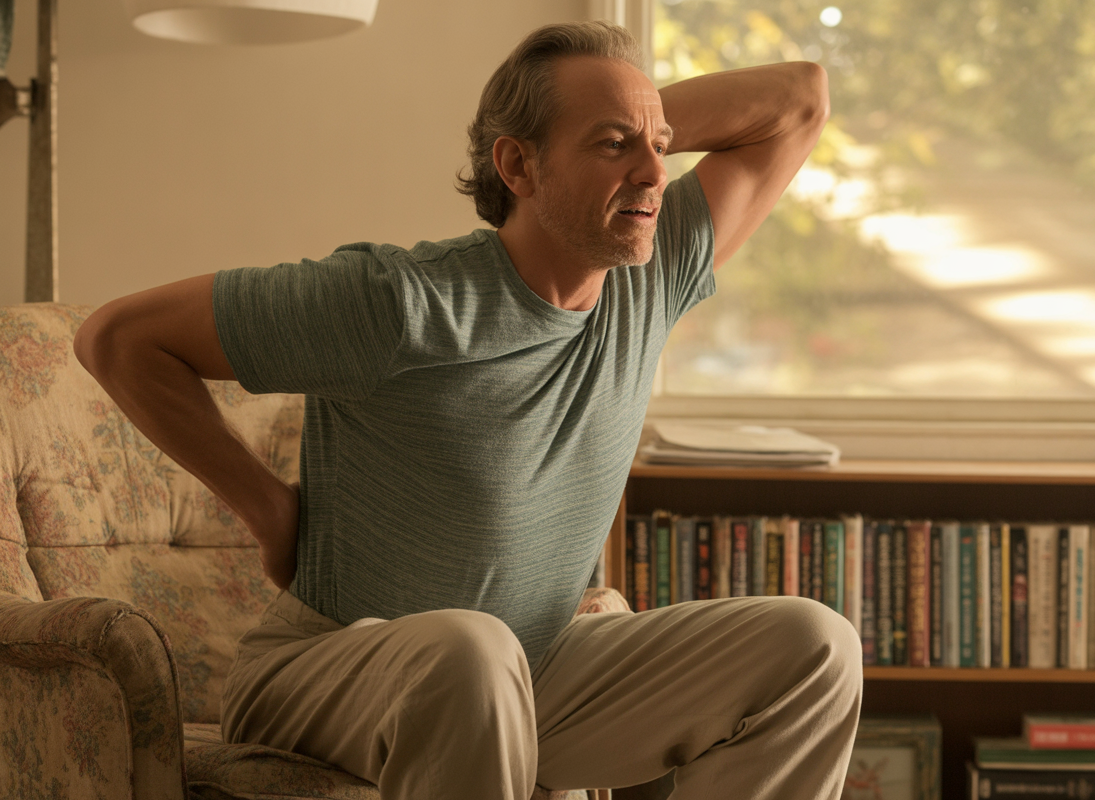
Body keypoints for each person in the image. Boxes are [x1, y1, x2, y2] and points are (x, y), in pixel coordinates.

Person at [74, 20, 861, 800]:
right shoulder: (399, 303)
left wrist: (636, 124)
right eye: (614, 146)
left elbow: (798, 100)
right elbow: (119, 339)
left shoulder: (648, 279)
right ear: (518, 164)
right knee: (469, 649)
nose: (657, 175)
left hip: (535, 669)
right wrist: (270, 511)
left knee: (812, 645)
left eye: (662, 146)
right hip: (326, 671)